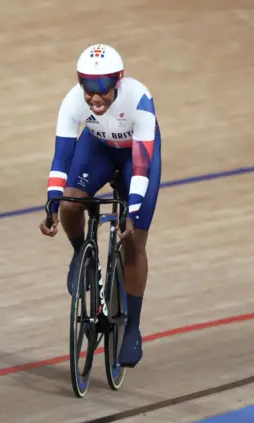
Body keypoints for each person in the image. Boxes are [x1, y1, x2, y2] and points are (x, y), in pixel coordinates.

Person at [39, 44, 162, 368]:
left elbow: (141, 167)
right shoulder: (72, 102)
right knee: (69, 202)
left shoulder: (139, 100)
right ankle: (81, 251)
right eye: (87, 86)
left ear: (117, 82)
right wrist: (51, 202)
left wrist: (132, 211)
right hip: (98, 148)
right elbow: (62, 157)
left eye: (102, 87)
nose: (94, 96)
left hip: (136, 155)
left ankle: (133, 328)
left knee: (134, 241)